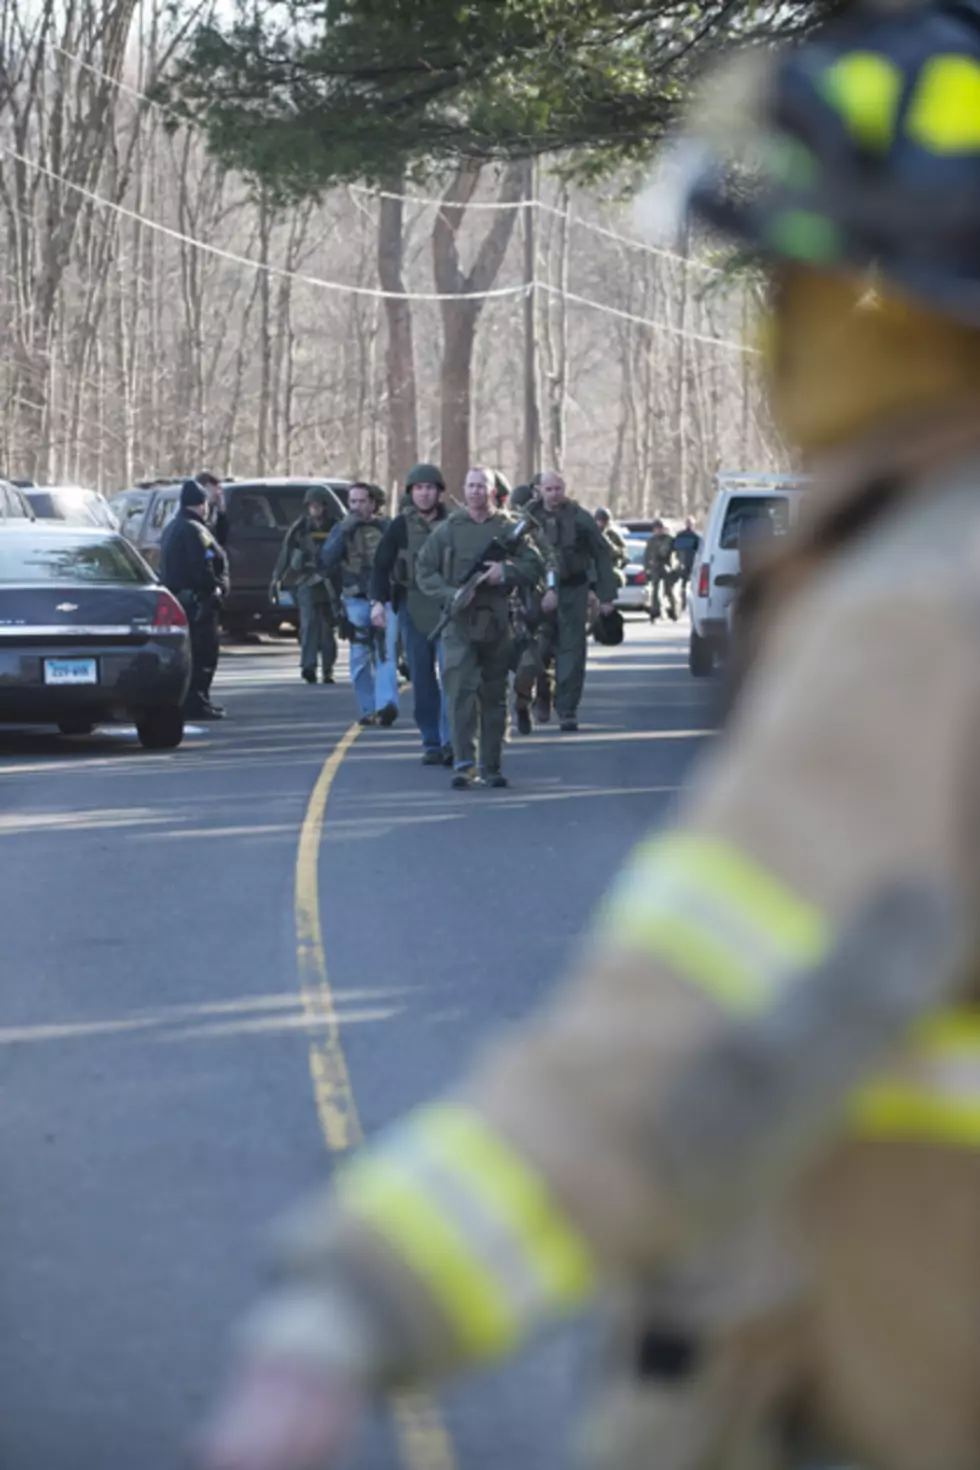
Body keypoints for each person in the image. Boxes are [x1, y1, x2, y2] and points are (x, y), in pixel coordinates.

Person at [198, 6, 980, 1469]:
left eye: (795, 276)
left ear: (881, 302)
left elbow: (684, 1029)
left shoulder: (928, 604)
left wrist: (364, 1297)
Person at [414, 466, 541, 789]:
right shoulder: (447, 529)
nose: (474, 492)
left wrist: (506, 572)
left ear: (492, 490)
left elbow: (535, 565)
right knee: (459, 694)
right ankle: (464, 763)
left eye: (480, 486)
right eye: (469, 486)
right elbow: (424, 570)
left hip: (498, 622)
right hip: (458, 624)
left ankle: (491, 765)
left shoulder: (509, 527)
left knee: (494, 696)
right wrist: (450, 594)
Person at [514, 470, 618, 733]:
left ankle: (567, 709)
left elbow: (602, 553)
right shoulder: (526, 517)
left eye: (558, 488)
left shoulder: (579, 517)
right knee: (537, 648)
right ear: (538, 490)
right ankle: (541, 695)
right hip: (536, 590)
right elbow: (510, 549)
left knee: (571, 650)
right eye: (548, 489)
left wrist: (605, 595)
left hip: (573, 590)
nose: (554, 494)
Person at [370, 463, 451, 765]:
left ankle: (451, 740)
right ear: (410, 493)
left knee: (452, 675)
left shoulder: (454, 523)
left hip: (448, 608)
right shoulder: (399, 526)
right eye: (419, 488)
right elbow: (381, 565)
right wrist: (377, 602)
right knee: (421, 677)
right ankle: (431, 741)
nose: (425, 494)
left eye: (430, 488)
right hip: (411, 606)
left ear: (439, 492)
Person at [317, 482, 397, 726]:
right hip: (354, 599)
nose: (357, 507)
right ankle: (367, 709)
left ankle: (386, 706)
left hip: (385, 599)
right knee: (359, 657)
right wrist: (343, 532)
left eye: (362, 501)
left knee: (386, 653)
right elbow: (326, 560)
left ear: (373, 503)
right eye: (353, 502)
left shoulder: (387, 527)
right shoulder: (341, 529)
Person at [159, 479, 229, 720]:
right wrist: (215, 587)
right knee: (203, 654)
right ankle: (197, 703)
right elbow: (203, 565)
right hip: (197, 602)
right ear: (200, 505)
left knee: (193, 654)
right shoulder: (192, 529)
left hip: (182, 600)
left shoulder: (174, 527)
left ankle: (195, 700)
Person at [270, 487, 338, 684]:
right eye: (311, 506)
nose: (315, 509)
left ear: (324, 506)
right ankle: (308, 666)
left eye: (318, 505)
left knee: (327, 629)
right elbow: (286, 553)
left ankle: (327, 669)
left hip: (329, 585)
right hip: (306, 582)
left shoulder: (335, 527)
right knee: (308, 626)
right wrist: (277, 578)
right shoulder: (300, 528)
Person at [643, 517, 678, 621]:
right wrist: (647, 568)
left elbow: (672, 553)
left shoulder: (670, 539)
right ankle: (655, 611)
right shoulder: (651, 540)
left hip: (667, 567)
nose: (658, 530)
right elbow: (647, 555)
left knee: (669, 590)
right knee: (655, 590)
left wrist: (675, 566)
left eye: (660, 528)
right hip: (655, 567)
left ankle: (673, 610)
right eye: (656, 528)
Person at [670, 516, 701, 610]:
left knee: (690, 586)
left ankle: (688, 604)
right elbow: (673, 549)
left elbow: (700, 551)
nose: (689, 525)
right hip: (680, 564)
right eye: (688, 523)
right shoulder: (680, 536)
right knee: (681, 586)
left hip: (692, 564)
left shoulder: (696, 537)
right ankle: (681, 604)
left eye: (691, 523)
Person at [196, 470, 229, 548]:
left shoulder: (214, 511)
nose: (219, 493)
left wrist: (221, 512)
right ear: (206, 488)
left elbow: (221, 539)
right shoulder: (196, 510)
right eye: (216, 488)